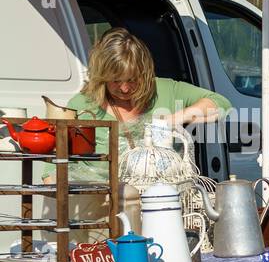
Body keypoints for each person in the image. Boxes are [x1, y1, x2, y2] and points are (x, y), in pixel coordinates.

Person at [67, 27, 230, 177]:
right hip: (102, 203)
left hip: (162, 200)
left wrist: (171, 120)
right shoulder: (82, 105)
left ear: (144, 73)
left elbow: (221, 104)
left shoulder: (165, 91)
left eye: (132, 80)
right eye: (115, 81)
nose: (124, 88)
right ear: (102, 76)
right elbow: (53, 171)